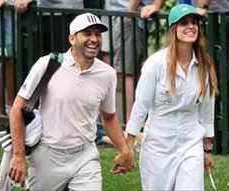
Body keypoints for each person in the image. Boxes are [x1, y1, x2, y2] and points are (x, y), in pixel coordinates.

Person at [8, 12, 134, 190]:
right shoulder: (47, 64)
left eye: (98, 34)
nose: (94, 39)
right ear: (72, 39)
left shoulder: (107, 74)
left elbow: (109, 117)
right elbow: (18, 109)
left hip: (85, 155)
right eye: (87, 33)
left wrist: (125, 149)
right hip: (47, 155)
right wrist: (18, 155)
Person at [124, 4, 218, 190]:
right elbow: (140, 107)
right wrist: (128, 147)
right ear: (173, 29)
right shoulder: (155, 64)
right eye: (184, 23)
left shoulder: (204, 66)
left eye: (194, 23)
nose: (191, 26)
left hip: (191, 145)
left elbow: (207, 113)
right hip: (157, 147)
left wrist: (206, 150)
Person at [102, 0, 163, 122]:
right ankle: (118, 122)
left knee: (127, 72)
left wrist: (130, 11)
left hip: (127, 16)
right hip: (114, 13)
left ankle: (130, 124)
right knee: (116, 69)